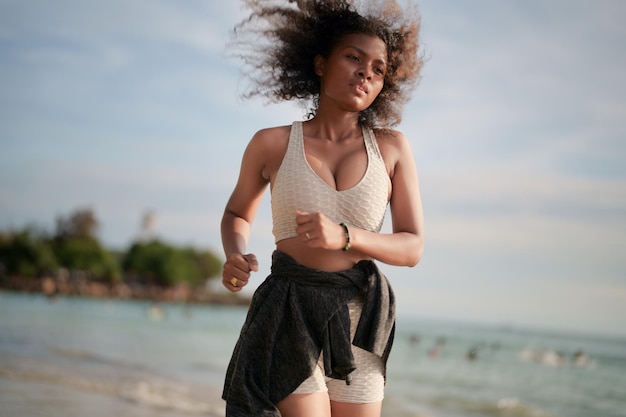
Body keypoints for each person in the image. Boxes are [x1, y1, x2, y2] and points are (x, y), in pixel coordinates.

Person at [220, 1, 424, 416]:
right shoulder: (272, 143)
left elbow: (412, 247)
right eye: (353, 57)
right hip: (288, 310)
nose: (366, 71)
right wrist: (235, 253)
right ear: (319, 64)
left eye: (378, 68)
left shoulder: (393, 148)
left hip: (361, 321)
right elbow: (237, 213)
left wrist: (346, 236)